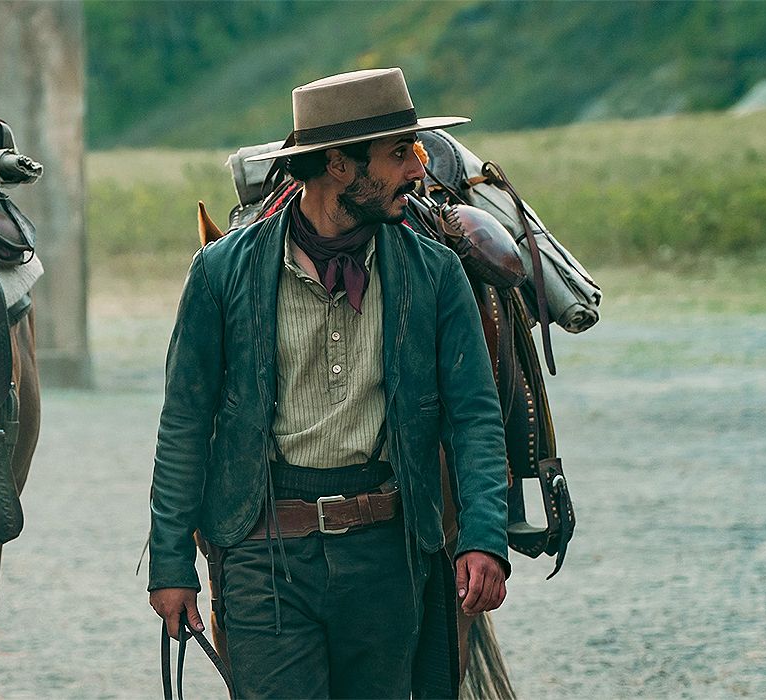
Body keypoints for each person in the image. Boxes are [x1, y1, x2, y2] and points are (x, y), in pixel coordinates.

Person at [146, 67, 510, 698]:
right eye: (398, 154)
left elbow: (475, 415)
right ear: (339, 165)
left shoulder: (435, 274)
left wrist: (483, 536)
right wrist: (171, 561)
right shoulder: (221, 274)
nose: (417, 170)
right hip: (264, 557)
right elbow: (185, 421)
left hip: (389, 554)